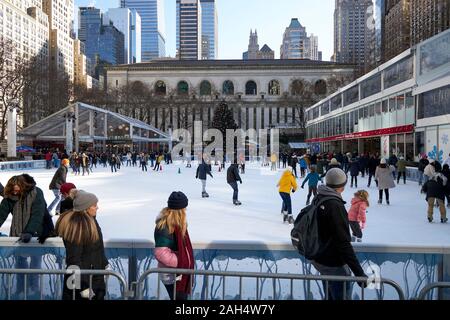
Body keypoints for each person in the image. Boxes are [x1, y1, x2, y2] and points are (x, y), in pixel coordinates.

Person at [311, 168, 367, 300]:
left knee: (330, 294)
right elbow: (343, 243)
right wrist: (359, 274)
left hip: (320, 259)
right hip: (333, 263)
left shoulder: (320, 197)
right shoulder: (335, 205)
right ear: (342, 186)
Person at [0, 174, 48, 297]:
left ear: (23, 187)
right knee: (19, 263)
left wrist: (29, 231)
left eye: (17, 190)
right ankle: (21, 288)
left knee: (35, 263)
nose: (15, 192)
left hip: (36, 233)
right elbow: (1, 213)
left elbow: (38, 214)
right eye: (13, 190)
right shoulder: (11, 196)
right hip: (17, 233)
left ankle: (34, 288)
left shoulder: (37, 193)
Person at [55, 190, 108, 300]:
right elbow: (74, 259)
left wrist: (104, 262)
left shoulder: (91, 221)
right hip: (81, 281)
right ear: (86, 208)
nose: (97, 207)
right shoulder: (76, 226)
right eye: (94, 205)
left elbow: (97, 247)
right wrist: (83, 287)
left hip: (95, 276)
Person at [154, 192, 194, 300]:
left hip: (178, 273)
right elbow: (161, 253)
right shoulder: (165, 226)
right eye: (184, 209)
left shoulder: (178, 224)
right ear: (179, 211)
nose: (185, 211)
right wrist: (182, 260)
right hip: (172, 275)